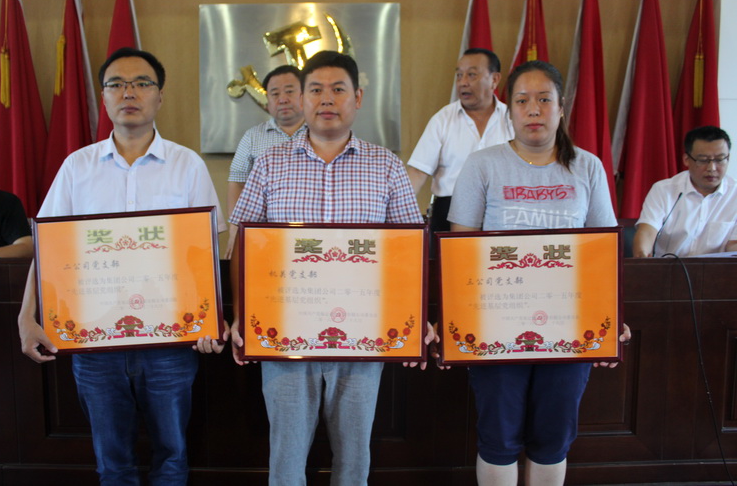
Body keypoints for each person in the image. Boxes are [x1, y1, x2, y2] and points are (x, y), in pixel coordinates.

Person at [17, 47, 226, 486]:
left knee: (172, 457)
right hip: (96, 342)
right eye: (116, 84)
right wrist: (26, 317)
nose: (129, 92)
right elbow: (48, 249)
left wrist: (212, 318)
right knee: (113, 463)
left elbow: (203, 253)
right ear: (104, 97)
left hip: (170, 344)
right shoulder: (77, 167)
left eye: (142, 83)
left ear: (159, 96)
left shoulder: (187, 165)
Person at [229, 50, 432, 486]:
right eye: (316, 90)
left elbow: (409, 252)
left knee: (354, 460)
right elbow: (243, 246)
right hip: (283, 337)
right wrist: (240, 316)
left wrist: (417, 320)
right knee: (286, 460)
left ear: (357, 98)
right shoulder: (269, 164)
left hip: (363, 339)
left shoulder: (386, 166)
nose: (326, 99)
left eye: (338, 89)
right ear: (302, 99)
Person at [448, 60, 630, 486]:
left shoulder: (587, 167)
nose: (533, 109)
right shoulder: (483, 165)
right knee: (498, 436)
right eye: (522, 101)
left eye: (544, 100)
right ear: (508, 110)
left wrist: (611, 316)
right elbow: (461, 253)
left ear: (561, 108)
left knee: (553, 437)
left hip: (569, 326)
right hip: (496, 325)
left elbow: (603, 253)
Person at [407, 48, 513, 235]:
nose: (463, 82)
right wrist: (397, 215)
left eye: (472, 75)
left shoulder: (512, 119)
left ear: (494, 79)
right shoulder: (443, 119)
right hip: (448, 213)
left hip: (503, 212)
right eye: (459, 75)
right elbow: (417, 172)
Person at [225, 65, 306, 258]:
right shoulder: (253, 137)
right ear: (267, 100)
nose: (282, 99)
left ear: (305, 95)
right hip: (263, 238)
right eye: (275, 94)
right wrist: (236, 230)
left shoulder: (322, 135)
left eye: (289, 91)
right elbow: (237, 182)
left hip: (311, 235)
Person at [633, 126, 737, 257]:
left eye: (719, 159)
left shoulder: (734, 194)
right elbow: (648, 231)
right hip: (668, 268)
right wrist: (642, 256)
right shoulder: (663, 190)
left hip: (718, 269)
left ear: (728, 158)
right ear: (686, 159)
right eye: (703, 160)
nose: (712, 168)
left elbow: (733, 246)